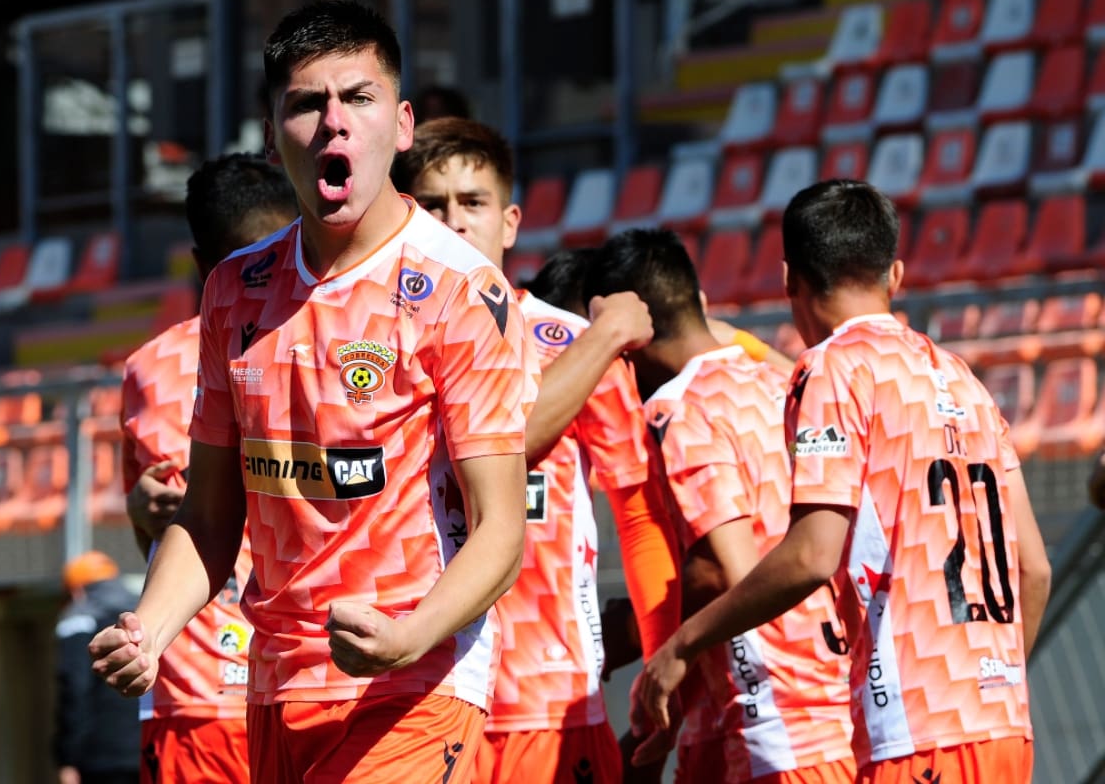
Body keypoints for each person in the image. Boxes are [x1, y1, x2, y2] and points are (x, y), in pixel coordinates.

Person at [91, 1, 538, 784]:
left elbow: (501, 527)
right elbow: (209, 515)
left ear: (401, 126)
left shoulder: (458, 289)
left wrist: (411, 634)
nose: (334, 123)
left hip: (414, 685)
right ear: (272, 133)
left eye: (358, 98)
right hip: (274, 685)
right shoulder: (236, 289)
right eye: (306, 103)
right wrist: (151, 630)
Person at [632, 179, 1053, 783]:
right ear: (896, 274)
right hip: (1004, 728)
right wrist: (990, 691)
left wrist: (681, 644)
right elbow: (1033, 569)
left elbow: (812, 556)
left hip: (915, 734)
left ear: (789, 281)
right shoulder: (963, 378)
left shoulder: (832, 367)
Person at [396, 117, 682, 783]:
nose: (455, 221)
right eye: (433, 205)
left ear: (511, 221)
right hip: (423, 692)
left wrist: (662, 655)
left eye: (474, 202)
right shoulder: (381, 343)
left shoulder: (566, 338)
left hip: (545, 700)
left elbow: (639, 514)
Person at [583, 228, 855, 783]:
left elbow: (719, 570)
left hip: (776, 715)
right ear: (697, 303)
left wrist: (629, 634)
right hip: (832, 696)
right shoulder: (784, 383)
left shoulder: (677, 409)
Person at [120, 153, 299, 783]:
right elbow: (158, 533)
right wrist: (142, 513)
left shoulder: (337, 339)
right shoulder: (152, 368)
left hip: (302, 674)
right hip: (199, 687)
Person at [54, 551, 141, 784]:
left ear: (76, 591)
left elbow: (75, 689)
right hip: (153, 749)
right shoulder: (141, 616)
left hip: (101, 757)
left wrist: (68, 758)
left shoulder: (78, 619)